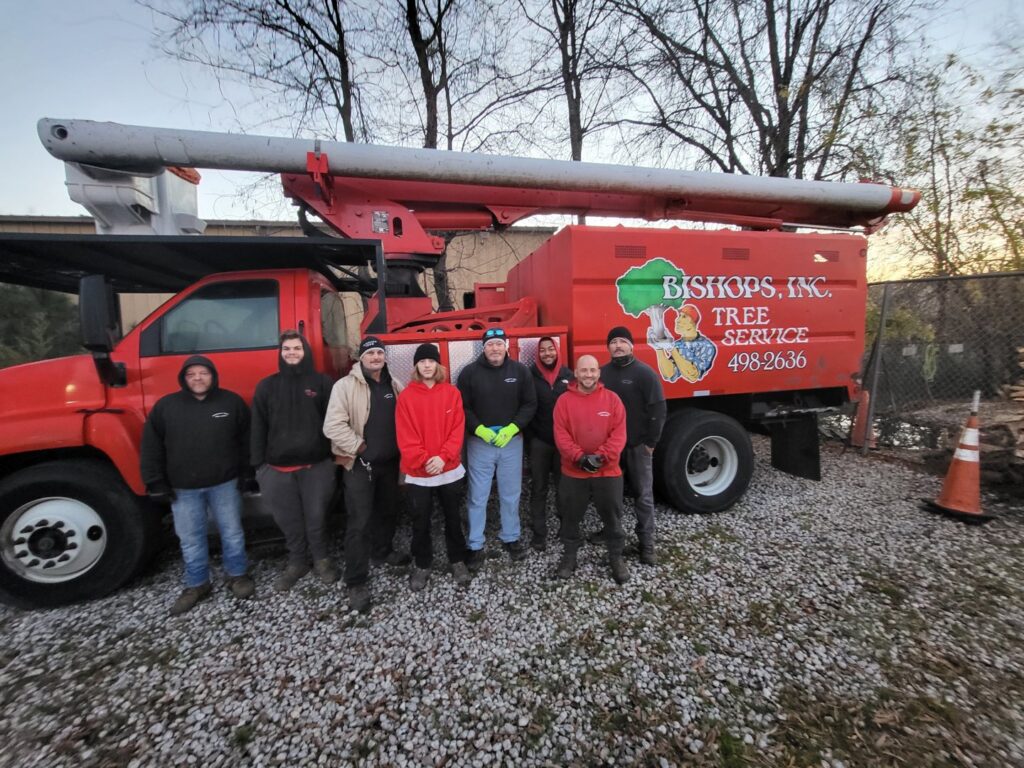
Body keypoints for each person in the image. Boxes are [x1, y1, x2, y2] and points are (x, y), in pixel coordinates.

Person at [140, 355, 255, 616]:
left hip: (225, 484)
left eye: (203, 373)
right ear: (184, 378)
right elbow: (151, 448)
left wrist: (248, 473)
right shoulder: (166, 407)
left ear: (213, 376)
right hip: (183, 488)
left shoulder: (231, 403)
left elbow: (246, 441)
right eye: (192, 374)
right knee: (190, 538)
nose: (198, 378)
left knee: (233, 532)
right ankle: (197, 583)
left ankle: (237, 575)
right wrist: (155, 482)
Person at [323, 336, 407, 613]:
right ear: (361, 358)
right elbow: (332, 426)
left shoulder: (394, 385)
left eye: (379, 353)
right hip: (361, 465)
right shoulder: (345, 386)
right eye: (370, 353)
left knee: (388, 510)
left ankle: (383, 551)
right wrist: (358, 447)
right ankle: (356, 580)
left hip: (390, 464)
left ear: (385, 357)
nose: (375, 357)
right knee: (359, 521)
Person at [251, 330, 338, 592]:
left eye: (297, 348)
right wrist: (259, 466)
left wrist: (334, 459)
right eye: (287, 349)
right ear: (280, 353)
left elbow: (333, 423)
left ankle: (322, 560)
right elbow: (258, 426)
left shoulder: (322, 384)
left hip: (317, 466)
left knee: (316, 517)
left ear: (306, 352)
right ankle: (297, 562)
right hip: (276, 470)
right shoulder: (267, 386)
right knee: (289, 521)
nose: (292, 353)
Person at [457, 327, 537, 570]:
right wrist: (478, 429)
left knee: (510, 493)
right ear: (484, 347)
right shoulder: (469, 373)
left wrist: (512, 428)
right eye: (490, 344)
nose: (495, 348)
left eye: (499, 344)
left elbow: (529, 404)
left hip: (510, 441)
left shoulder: (520, 371)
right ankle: (475, 543)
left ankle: (511, 537)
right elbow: (463, 406)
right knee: (477, 495)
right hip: (480, 442)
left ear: (505, 346)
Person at [396, 343, 472, 591]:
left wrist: (444, 457)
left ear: (438, 365)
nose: (427, 365)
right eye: (422, 361)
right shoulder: (406, 397)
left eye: (431, 361)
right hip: (419, 473)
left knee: (453, 517)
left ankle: (457, 559)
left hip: (448, 468)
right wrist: (423, 460)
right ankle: (422, 562)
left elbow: (457, 429)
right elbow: (405, 435)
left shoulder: (451, 393)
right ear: (416, 366)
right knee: (421, 520)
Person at [553, 354, 629, 584]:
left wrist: (601, 457)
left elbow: (619, 434)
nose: (588, 375)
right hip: (574, 472)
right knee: (570, 517)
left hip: (608, 472)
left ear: (599, 373)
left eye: (593, 370)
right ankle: (569, 556)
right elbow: (561, 435)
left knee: (613, 518)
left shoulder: (613, 400)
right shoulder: (564, 402)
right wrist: (579, 457)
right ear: (575, 373)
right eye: (584, 370)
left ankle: (616, 557)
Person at [599, 326, 667, 566]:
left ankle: (646, 544)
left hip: (637, 446)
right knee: (611, 495)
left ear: (631, 345)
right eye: (613, 342)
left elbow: (658, 409)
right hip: (611, 448)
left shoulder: (644, 374)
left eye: (621, 341)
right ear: (608, 347)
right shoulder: (602, 374)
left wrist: (651, 443)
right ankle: (612, 533)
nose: (617, 346)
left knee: (643, 496)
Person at [527, 336, 573, 551]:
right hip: (540, 443)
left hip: (563, 444)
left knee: (563, 488)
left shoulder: (568, 376)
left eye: (550, 349)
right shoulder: (530, 376)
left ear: (557, 351)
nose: (547, 353)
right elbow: (526, 407)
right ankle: (539, 533)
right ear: (538, 354)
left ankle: (566, 528)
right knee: (539, 488)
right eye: (543, 350)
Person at [651, 304, 717, 383]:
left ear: (693, 322)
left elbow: (693, 376)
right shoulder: (678, 344)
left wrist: (672, 349)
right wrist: (659, 348)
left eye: (684, 317)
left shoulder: (707, 346)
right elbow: (669, 374)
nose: (677, 320)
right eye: (679, 316)